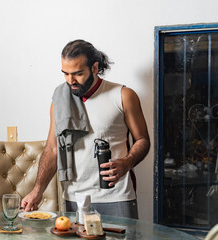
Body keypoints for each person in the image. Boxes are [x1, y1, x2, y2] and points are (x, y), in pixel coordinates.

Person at [21, 39, 150, 219]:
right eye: (65, 73)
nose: (70, 80)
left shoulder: (123, 95)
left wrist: (127, 163)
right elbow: (52, 149)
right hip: (74, 197)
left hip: (116, 196)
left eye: (78, 73)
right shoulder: (59, 101)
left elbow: (142, 140)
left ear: (95, 68)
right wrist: (37, 191)